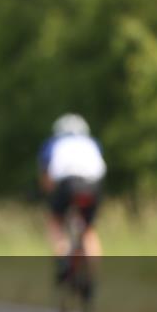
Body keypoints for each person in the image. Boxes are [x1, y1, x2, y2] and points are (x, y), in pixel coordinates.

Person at [37, 113, 107, 295]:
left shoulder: (53, 143)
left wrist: (50, 196)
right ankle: (92, 276)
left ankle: (62, 259)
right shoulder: (92, 143)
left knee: (56, 222)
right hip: (93, 187)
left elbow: (46, 178)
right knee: (89, 231)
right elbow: (100, 170)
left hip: (67, 185)